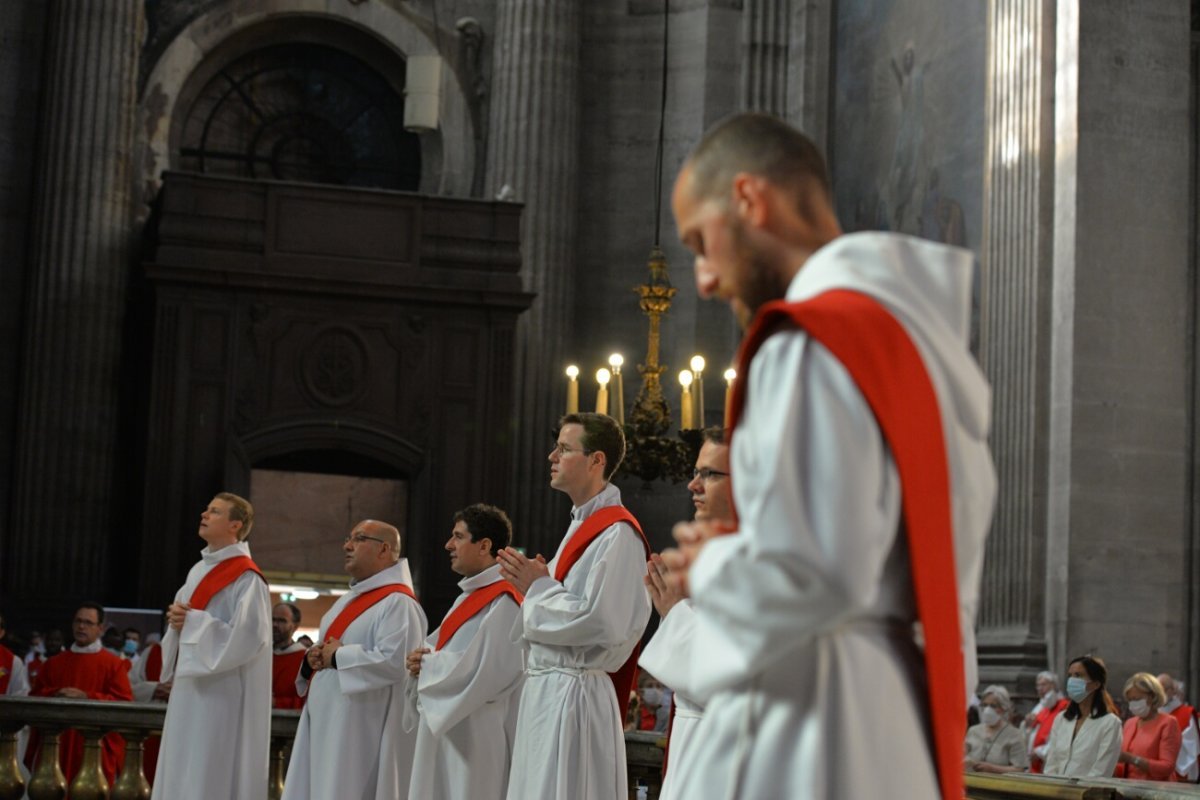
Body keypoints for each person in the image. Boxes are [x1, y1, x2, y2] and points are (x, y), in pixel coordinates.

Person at [660, 112, 996, 799]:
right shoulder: (919, 343)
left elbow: (819, 570)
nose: (702, 277)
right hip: (890, 710)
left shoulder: (809, 343)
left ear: (750, 201)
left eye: (701, 240)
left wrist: (714, 561)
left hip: (810, 717)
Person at [498, 412, 652, 800]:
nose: (552, 456)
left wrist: (538, 587)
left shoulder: (618, 534)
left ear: (596, 461)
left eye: (565, 449)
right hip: (549, 692)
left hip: (575, 697)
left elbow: (601, 623)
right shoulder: (580, 528)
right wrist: (534, 586)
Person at [282, 519, 427, 800]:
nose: (347, 546)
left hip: (361, 732)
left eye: (359, 539)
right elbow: (331, 651)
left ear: (384, 549)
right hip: (328, 720)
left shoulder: (399, 603)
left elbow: (397, 663)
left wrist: (337, 655)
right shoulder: (347, 600)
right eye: (348, 538)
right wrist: (314, 657)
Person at [151, 492, 272, 800]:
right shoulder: (198, 570)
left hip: (222, 692)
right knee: (183, 761)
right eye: (206, 509)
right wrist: (179, 620)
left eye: (215, 512)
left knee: (209, 765)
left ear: (235, 525)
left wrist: (191, 622)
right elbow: (186, 619)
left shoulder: (247, 578)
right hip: (191, 685)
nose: (204, 514)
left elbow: (250, 637)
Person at [638, 426, 733, 800]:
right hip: (694, 739)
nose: (693, 485)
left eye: (709, 474)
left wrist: (676, 613)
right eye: (695, 472)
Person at [405, 504, 524, 800]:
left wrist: (430, 665)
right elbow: (445, 648)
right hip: (450, 728)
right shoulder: (467, 598)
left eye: (458, 536)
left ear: (484, 545)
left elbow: (492, 672)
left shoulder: (506, 602)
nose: (449, 545)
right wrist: (422, 657)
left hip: (478, 735)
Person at [29, 602, 133, 785]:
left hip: (94, 747)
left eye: (88, 622)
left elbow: (123, 704)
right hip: (57, 746)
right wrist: (57, 693)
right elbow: (34, 697)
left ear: (100, 629)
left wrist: (87, 697)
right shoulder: (54, 663)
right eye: (78, 621)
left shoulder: (114, 665)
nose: (81, 626)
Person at [1042, 655, 1122, 777]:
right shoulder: (1061, 719)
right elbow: (1052, 763)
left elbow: (1102, 771)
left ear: (1095, 684)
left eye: (1078, 675)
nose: (1071, 680)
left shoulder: (1110, 723)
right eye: (1070, 675)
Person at [1115, 672, 1181, 781]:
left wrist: (1132, 759)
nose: (1132, 704)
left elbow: (1167, 768)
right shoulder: (1130, 723)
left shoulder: (1168, 723)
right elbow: (1124, 767)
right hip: (1128, 788)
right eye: (1130, 700)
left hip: (1157, 791)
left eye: (1136, 699)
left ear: (1152, 696)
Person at [129, 630, 167, 784]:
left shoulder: (202, 652)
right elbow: (129, 686)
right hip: (151, 732)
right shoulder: (153, 651)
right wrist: (155, 688)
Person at [964, 685, 1027, 773]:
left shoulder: (1015, 735)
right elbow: (961, 756)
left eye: (993, 706)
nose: (987, 709)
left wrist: (992, 768)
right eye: (985, 705)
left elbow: (1019, 769)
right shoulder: (973, 731)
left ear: (1004, 708)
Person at [1025, 670, 1069, 773]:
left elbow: (1064, 737)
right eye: (1038, 685)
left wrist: (1041, 752)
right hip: (1035, 764)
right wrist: (1027, 725)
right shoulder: (1041, 707)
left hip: (1050, 762)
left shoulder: (1064, 706)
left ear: (1054, 685)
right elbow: (1031, 732)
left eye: (1043, 684)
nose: (1040, 688)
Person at [1158, 673, 1199, 781]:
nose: (1160, 694)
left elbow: (1191, 749)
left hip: (1179, 776)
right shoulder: (1152, 714)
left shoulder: (1186, 714)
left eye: (1163, 689)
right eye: (1157, 690)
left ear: (1173, 690)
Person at [272, 602, 307, 709]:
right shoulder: (260, 654)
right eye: (273, 619)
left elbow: (309, 700)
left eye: (282, 621)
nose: (275, 625)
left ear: (295, 626)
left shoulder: (305, 659)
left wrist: (277, 703)